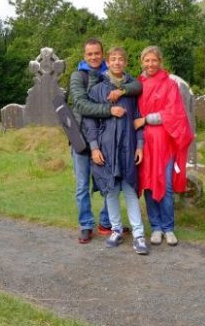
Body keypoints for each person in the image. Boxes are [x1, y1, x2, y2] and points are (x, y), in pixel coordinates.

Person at [70, 38, 142, 244]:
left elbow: (137, 84)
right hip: (82, 139)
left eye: (96, 53)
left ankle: (106, 222)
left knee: (107, 180)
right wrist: (110, 110)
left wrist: (124, 90)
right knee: (83, 184)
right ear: (84, 56)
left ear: (103, 55)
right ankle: (85, 225)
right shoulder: (78, 76)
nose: (93, 57)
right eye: (89, 54)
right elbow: (83, 106)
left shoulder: (110, 75)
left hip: (106, 139)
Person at [82, 47, 149, 255]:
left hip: (128, 147)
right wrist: (94, 148)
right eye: (113, 59)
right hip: (105, 149)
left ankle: (138, 235)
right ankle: (116, 229)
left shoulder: (132, 90)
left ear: (126, 63)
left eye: (121, 59)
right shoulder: (97, 90)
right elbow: (89, 122)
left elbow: (138, 119)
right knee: (110, 191)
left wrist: (139, 146)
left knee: (129, 190)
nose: (117, 62)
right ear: (107, 62)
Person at [133, 46, 193, 246]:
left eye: (154, 60)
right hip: (145, 142)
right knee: (149, 185)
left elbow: (173, 114)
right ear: (142, 62)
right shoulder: (138, 85)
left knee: (165, 185)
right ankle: (156, 227)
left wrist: (146, 119)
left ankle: (168, 227)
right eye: (146, 60)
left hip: (164, 142)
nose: (150, 64)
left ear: (160, 61)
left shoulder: (169, 84)